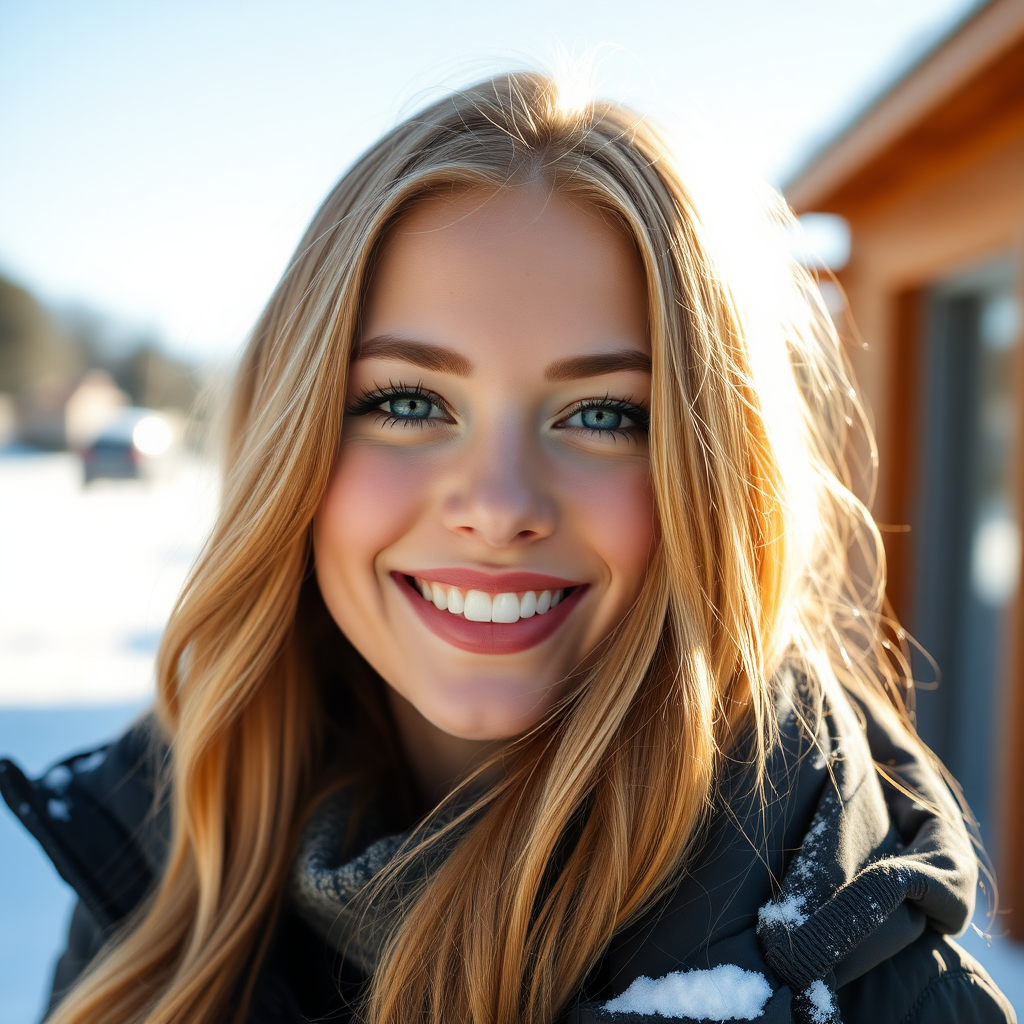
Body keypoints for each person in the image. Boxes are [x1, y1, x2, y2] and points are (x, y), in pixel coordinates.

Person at [1, 72, 1015, 1024]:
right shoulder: (160, 889)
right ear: (291, 444)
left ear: (719, 479)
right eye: (406, 400)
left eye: (605, 415)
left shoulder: (885, 994)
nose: (495, 504)